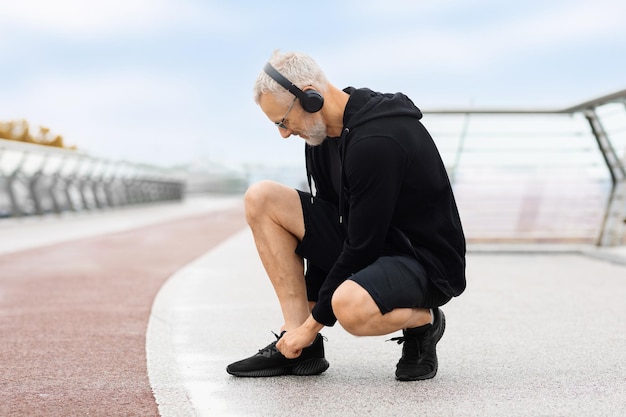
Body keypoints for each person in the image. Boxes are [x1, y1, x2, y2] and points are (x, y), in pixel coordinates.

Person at [226, 50, 466, 381]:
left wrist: (314, 324)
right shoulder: (320, 136)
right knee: (262, 197)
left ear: (310, 96)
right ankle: (296, 349)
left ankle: (423, 322)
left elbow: (361, 246)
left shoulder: (377, 141)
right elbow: (332, 223)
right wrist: (304, 323)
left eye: (283, 121)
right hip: (370, 243)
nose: (283, 133)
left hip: (420, 259)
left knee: (349, 308)